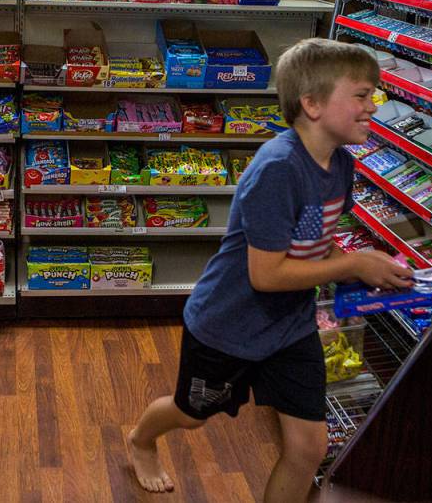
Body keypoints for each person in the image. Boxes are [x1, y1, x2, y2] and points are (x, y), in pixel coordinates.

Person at [128, 39, 414, 502]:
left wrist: (368, 273)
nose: (372, 107)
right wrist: (355, 263)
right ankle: (141, 439)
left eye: (374, 95)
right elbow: (266, 275)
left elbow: (308, 242)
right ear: (313, 104)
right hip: (227, 326)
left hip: (289, 327)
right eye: (361, 95)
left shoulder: (340, 163)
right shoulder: (278, 170)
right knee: (191, 414)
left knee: (308, 447)